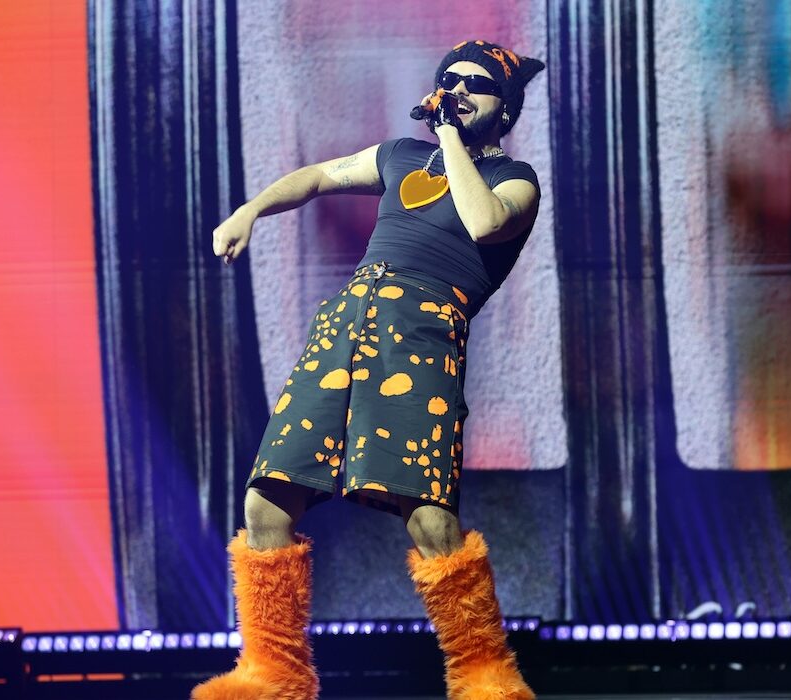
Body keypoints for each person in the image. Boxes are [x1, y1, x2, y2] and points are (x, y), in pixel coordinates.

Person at [192, 40, 545, 700]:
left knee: (428, 517)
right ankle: (272, 673)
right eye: (448, 79)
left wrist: (449, 134)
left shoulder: (515, 178)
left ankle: (485, 675)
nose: (457, 89)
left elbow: (482, 221)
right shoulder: (401, 155)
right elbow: (318, 176)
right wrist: (250, 210)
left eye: (475, 84)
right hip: (347, 323)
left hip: (421, 335)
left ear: (505, 108)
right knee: (266, 499)